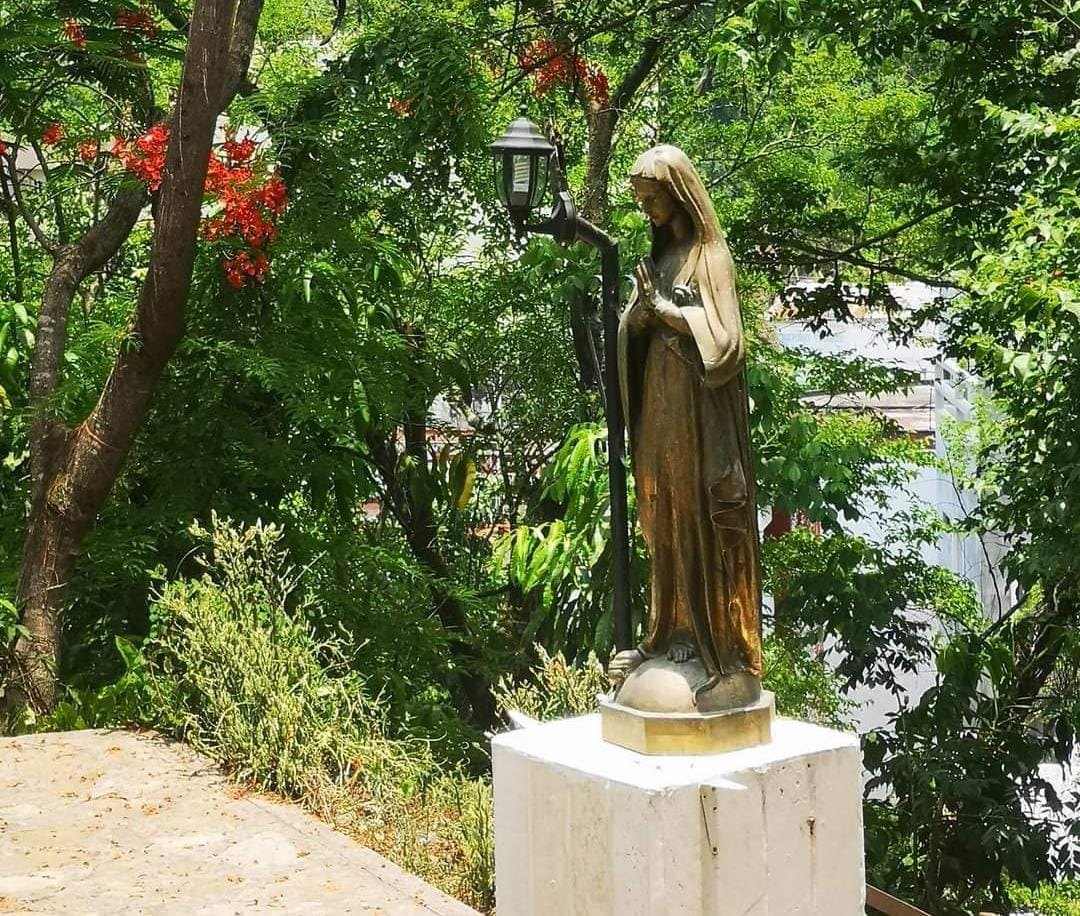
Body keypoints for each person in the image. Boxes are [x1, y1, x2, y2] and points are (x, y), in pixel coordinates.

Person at [609, 144, 762, 712]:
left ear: (678, 194)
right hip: (659, 409)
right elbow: (632, 330)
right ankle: (667, 630)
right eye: (641, 200)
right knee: (662, 517)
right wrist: (639, 317)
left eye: (652, 198)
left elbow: (728, 344)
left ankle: (712, 645)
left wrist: (670, 314)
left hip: (700, 418)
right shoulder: (658, 259)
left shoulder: (710, 257)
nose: (647, 209)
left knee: (698, 517)